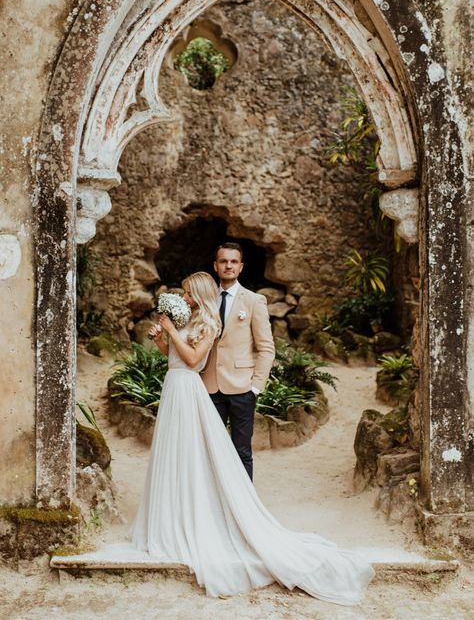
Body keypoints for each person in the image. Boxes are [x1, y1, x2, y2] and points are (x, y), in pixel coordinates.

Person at [130, 271, 374, 604]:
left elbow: (192, 361)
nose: (184, 298)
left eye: (188, 293)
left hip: (189, 391)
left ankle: (195, 517)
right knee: (173, 455)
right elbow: (172, 357)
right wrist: (161, 338)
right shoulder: (190, 320)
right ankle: (168, 518)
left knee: (193, 455)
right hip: (174, 390)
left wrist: (172, 331)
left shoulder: (210, 325)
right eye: (183, 293)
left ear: (200, 294)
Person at [200, 243, 275, 480]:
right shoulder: (206, 301)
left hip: (242, 388)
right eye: (223, 261)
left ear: (241, 267)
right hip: (209, 387)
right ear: (215, 266)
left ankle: (243, 511)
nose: (228, 266)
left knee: (242, 452)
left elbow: (266, 348)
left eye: (233, 262)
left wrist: (255, 387)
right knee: (207, 451)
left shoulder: (254, 301)